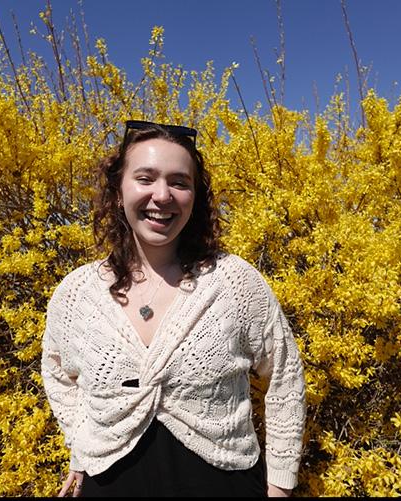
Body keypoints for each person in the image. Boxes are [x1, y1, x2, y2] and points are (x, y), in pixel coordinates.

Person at [41, 120, 306, 497]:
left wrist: (280, 482)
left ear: (194, 197)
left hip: (223, 483)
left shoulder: (234, 282)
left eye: (179, 182)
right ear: (119, 191)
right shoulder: (78, 293)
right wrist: (82, 446)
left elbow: (284, 374)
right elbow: (57, 371)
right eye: (145, 178)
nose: (162, 195)